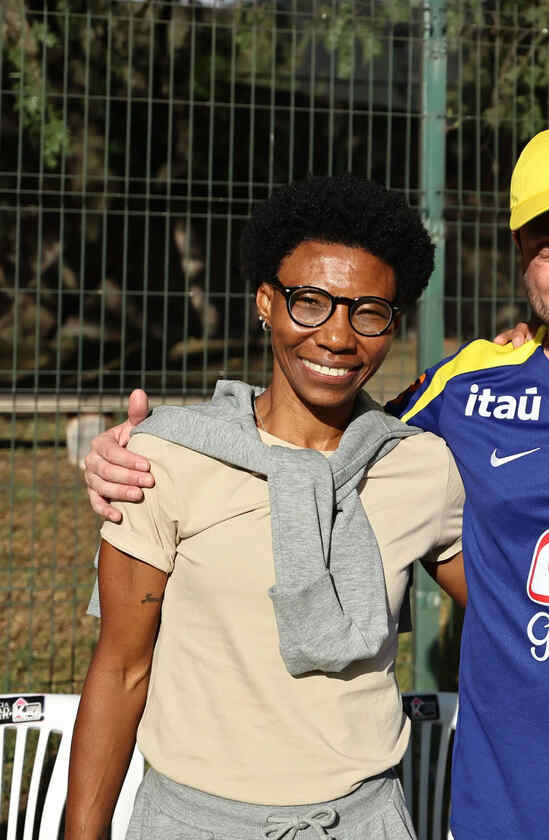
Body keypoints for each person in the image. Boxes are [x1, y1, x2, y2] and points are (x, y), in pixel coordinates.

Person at [83, 124, 549, 839]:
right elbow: (320, 434)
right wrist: (141, 450)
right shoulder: (462, 392)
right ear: (520, 257)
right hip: (507, 817)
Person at [66, 175, 464, 840]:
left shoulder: (420, 468)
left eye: (369, 312)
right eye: (311, 302)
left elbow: (517, 608)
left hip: (365, 821)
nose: (338, 337)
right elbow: (120, 667)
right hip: (193, 822)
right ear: (266, 303)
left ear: (395, 326)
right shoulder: (165, 460)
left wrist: (540, 361)